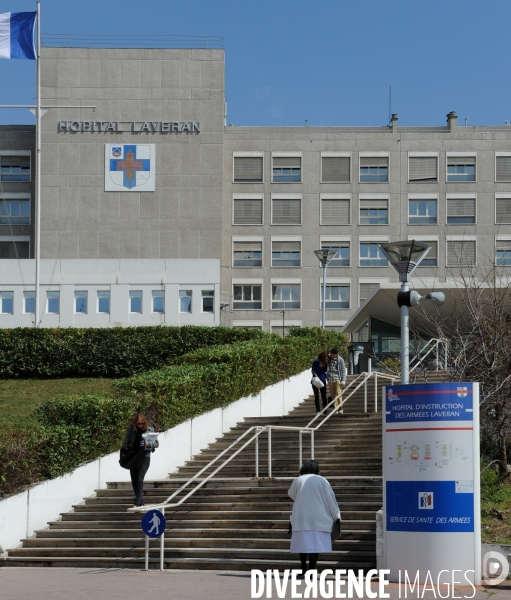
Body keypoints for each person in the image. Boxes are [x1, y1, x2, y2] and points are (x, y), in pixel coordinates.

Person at [288, 460, 341, 578]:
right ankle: (312, 570)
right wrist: (336, 516)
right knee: (314, 546)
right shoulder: (322, 480)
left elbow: (291, 494)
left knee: (303, 545)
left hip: (301, 517)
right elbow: (330, 498)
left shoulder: (298, 480)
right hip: (318, 518)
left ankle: (303, 568)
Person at [121, 413, 159, 507]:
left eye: (142, 423)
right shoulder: (131, 429)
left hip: (145, 456)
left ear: (144, 422)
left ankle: (137, 503)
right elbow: (126, 443)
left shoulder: (150, 430)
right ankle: (141, 502)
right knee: (134, 480)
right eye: (138, 424)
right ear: (135, 423)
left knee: (139, 479)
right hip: (134, 456)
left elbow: (157, 444)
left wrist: (148, 444)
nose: (140, 425)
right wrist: (126, 452)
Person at [326, 347, 346, 415]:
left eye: (333, 355)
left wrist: (343, 380)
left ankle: (341, 409)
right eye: (331, 354)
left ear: (336, 354)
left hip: (337, 378)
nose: (332, 356)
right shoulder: (329, 359)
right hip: (330, 379)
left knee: (338, 393)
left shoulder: (340, 360)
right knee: (333, 395)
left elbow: (343, 370)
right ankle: (335, 409)